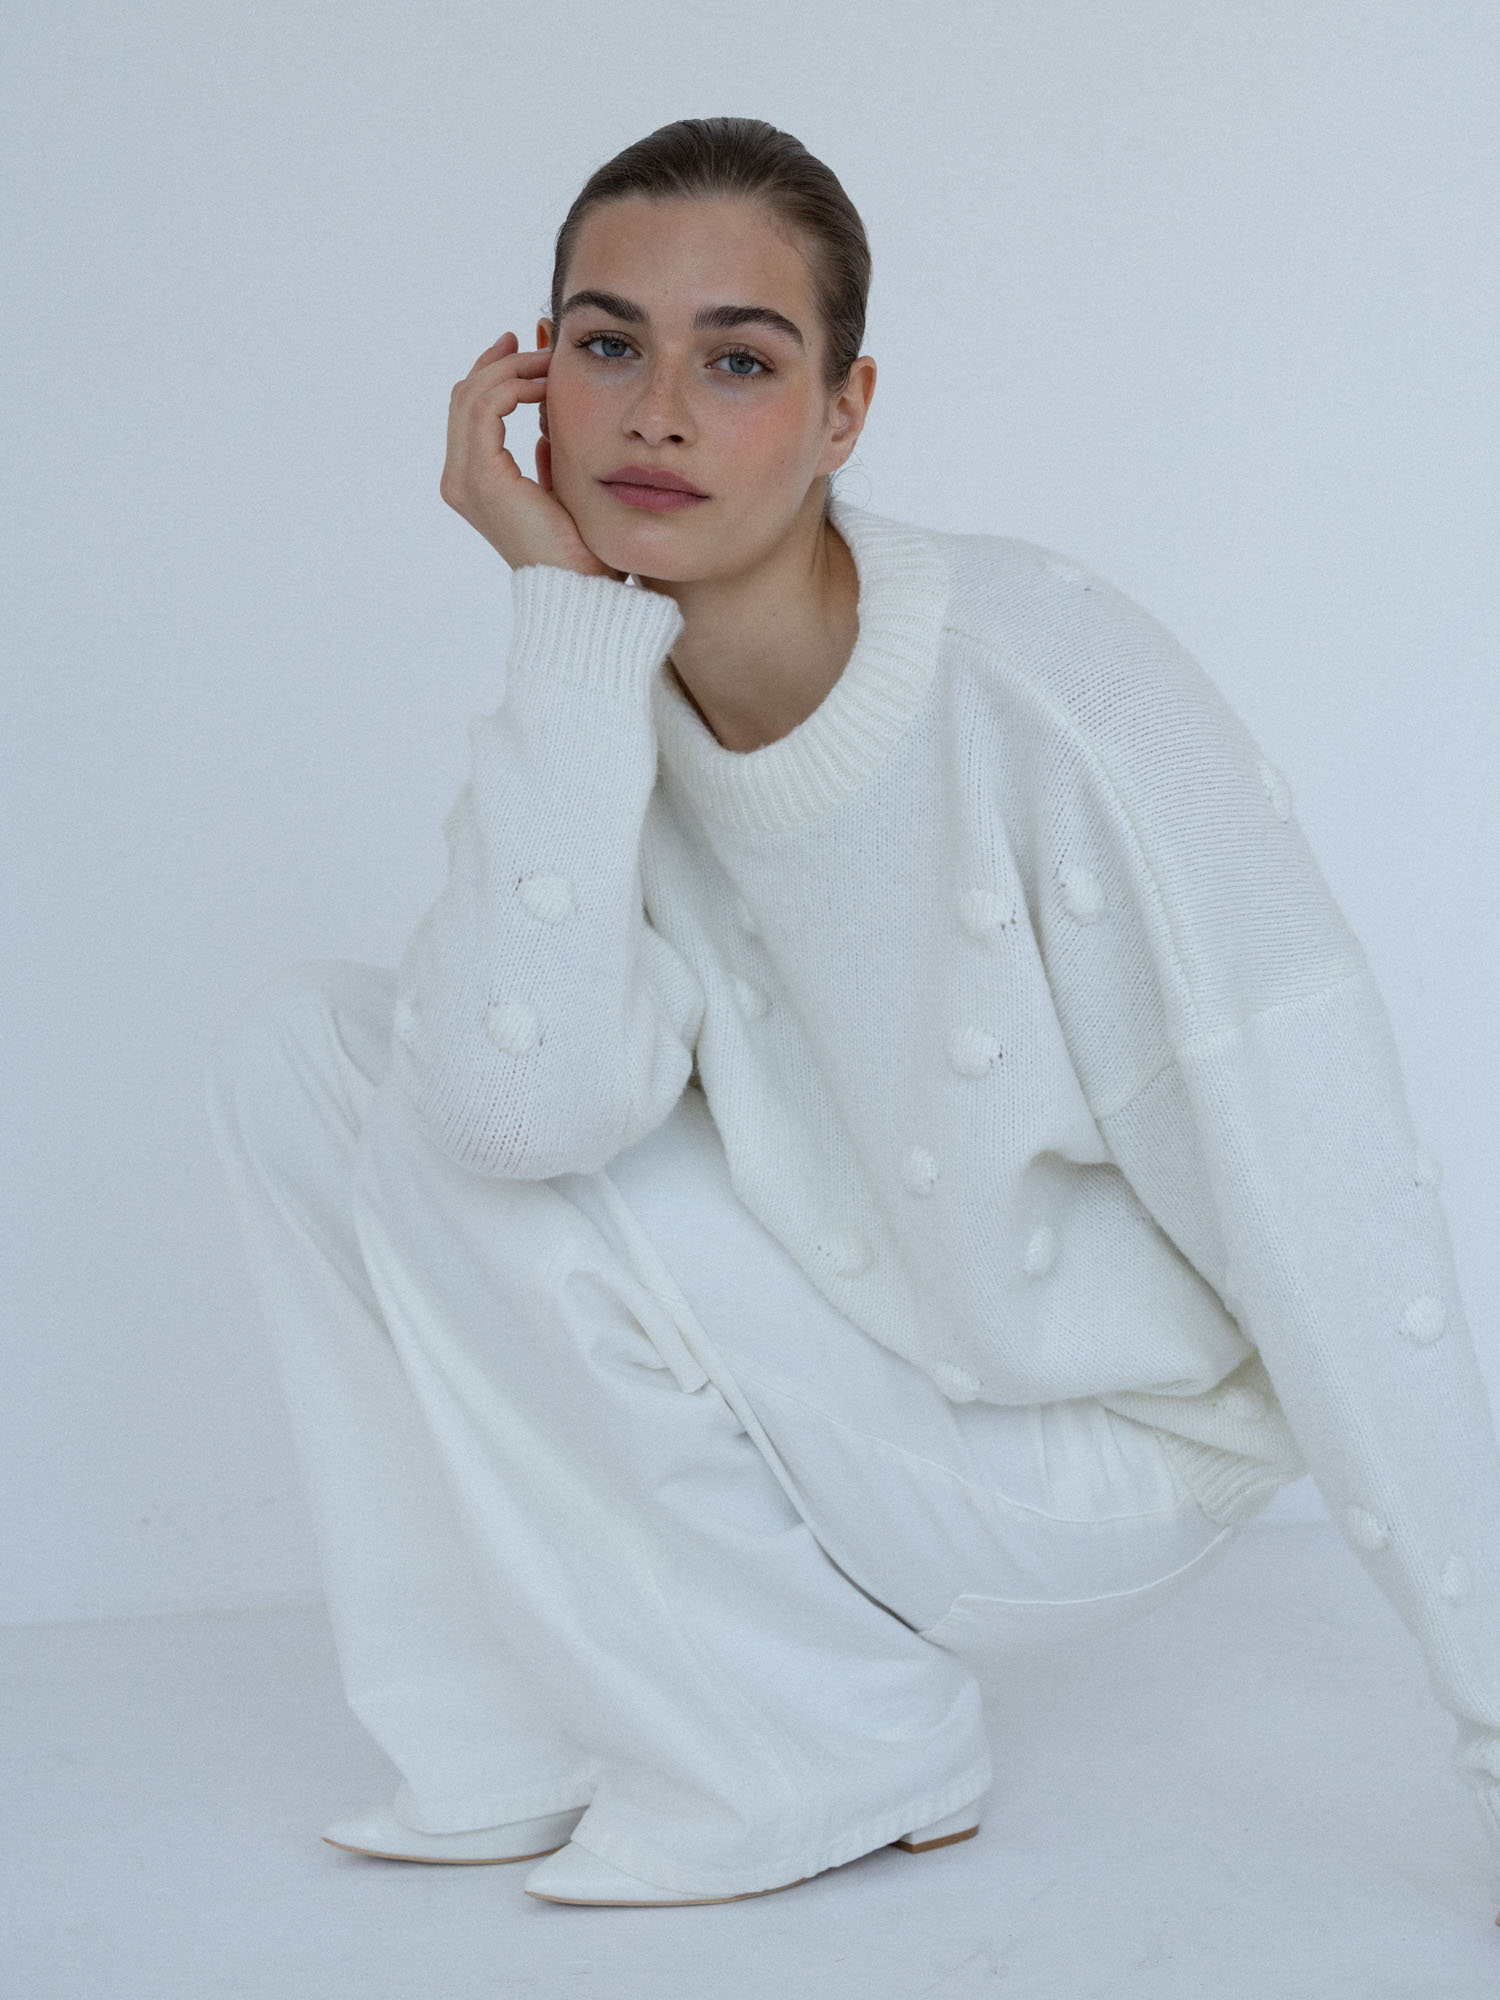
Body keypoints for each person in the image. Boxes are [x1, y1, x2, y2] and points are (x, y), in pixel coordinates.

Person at [206, 115, 1500, 1913]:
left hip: (1092, 1450)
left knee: (452, 1132)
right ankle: (516, 1738)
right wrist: (562, 617)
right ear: (532, 385)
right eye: (607, 346)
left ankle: (821, 1739)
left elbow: (1337, 1217)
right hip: (851, 1357)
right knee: (312, 1059)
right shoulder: (604, 689)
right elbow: (520, 1098)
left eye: (740, 360)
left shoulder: (1050, 697)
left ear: (845, 413)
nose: (659, 413)